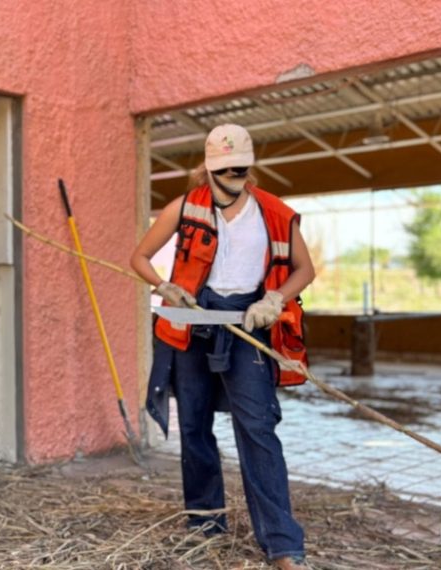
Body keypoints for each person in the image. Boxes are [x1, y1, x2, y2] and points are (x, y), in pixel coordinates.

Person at [130, 124, 315, 570]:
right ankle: (205, 522)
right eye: (225, 170)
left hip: (248, 320)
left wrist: (274, 299)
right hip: (194, 318)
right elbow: (138, 258)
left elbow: (304, 270)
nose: (234, 176)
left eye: (241, 169)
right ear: (208, 169)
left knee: (257, 428)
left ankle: (283, 545)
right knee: (193, 425)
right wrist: (166, 287)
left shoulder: (273, 212)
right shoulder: (185, 207)